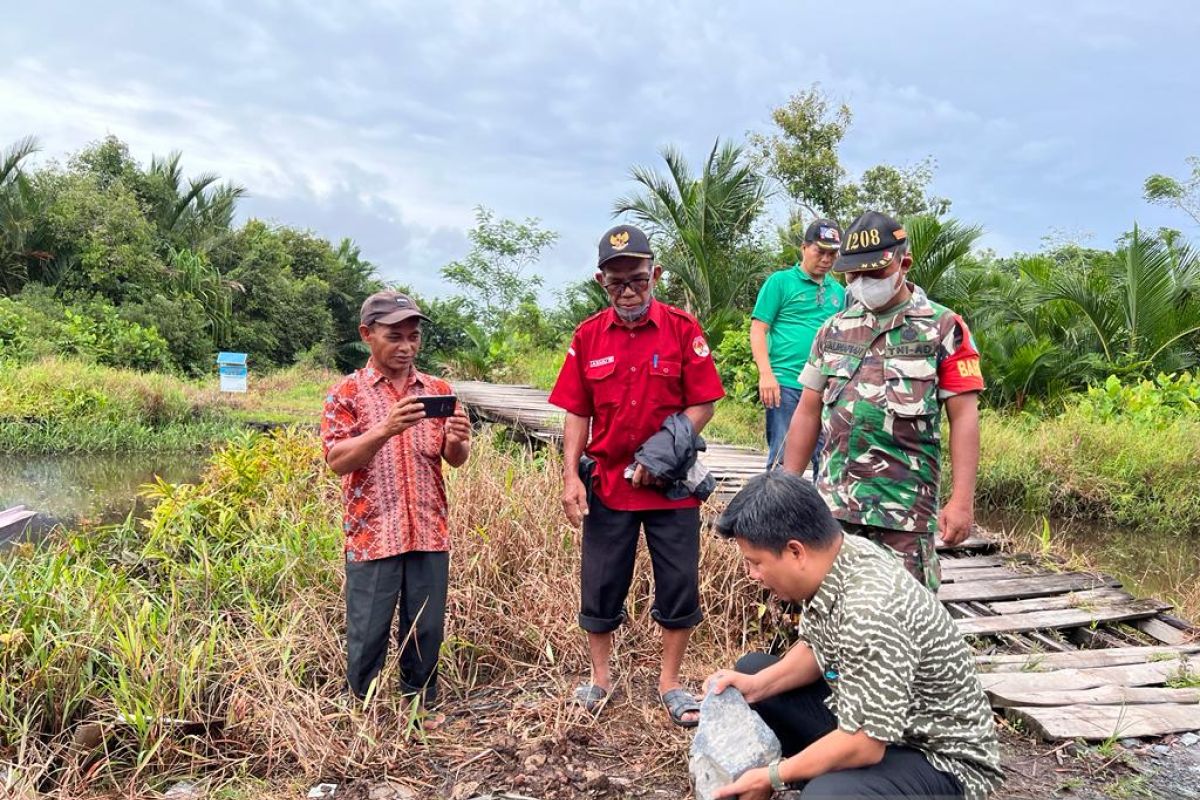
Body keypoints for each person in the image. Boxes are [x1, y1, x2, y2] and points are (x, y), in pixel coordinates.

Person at [706, 471, 1002, 800]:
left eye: (755, 562)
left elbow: (865, 744)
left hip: (939, 758)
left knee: (827, 796)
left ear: (795, 552)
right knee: (753, 671)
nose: (753, 575)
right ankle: (841, 776)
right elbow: (817, 647)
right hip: (883, 722)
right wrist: (757, 686)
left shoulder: (870, 609)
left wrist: (773, 777)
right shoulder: (840, 554)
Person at [548, 223, 725, 727]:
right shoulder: (587, 336)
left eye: (639, 280)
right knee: (601, 584)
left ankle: (670, 682)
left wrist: (661, 455)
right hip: (607, 485)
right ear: (601, 280)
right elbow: (576, 413)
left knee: (678, 583)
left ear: (656, 275)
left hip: (672, 490)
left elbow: (703, 402)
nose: (628, 292)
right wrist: (570, 477)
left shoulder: (683, 330)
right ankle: (600, 679)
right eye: (616, 282)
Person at [782, 211, 984, 591]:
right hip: (833, 512)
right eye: (853, 274)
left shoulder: (943, 328)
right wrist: (787, 489)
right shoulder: (833, 329)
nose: (861, 283)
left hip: (904, 516)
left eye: (872, 274)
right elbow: (807, 412)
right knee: (832, 619)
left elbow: (964, 418)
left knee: (904, 623)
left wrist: (961, 501)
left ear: (902, 263)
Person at [321, 290, 472, 728]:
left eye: (413, 336)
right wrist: (385, 429)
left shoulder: (438, 390)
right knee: (367, 631)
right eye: (395, 336)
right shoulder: (346, 392)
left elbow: (453, 458)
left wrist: (459, 440)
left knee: (425, 628)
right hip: (373, 533)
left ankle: (420, 707)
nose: (406, 346)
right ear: (367, 335)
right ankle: (363, 715)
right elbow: (336, 460)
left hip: (428, 529)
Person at [750, 219, 846, 473]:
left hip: (825, 389)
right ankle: (775, 512)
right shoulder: (780, 282)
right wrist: (766, 374)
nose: (826, 259)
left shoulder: (839, 292)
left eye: (832, 253)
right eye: (820, 251)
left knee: (826, 462)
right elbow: (759, 329)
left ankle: (818, 514)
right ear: (804, 248)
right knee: (783, 461)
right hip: (786, 384)